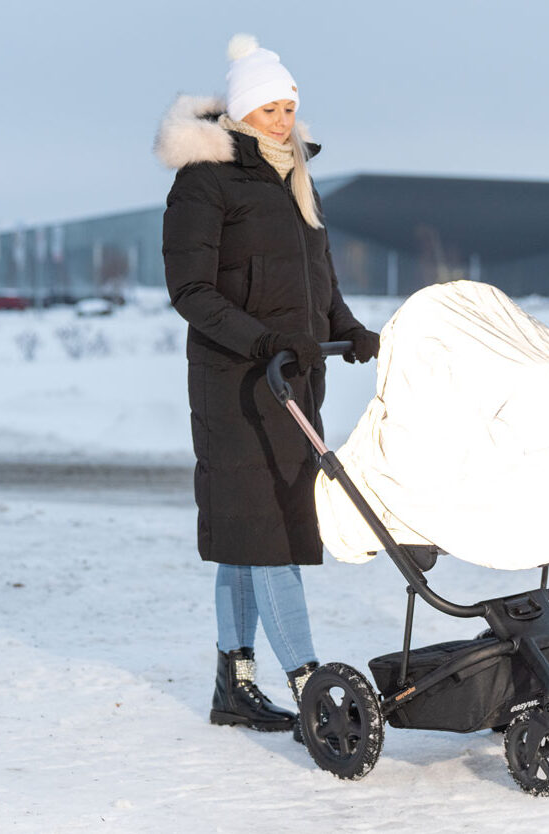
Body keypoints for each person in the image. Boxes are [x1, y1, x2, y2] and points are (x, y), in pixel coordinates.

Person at [155, 33, 379, 735]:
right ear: (243, 112)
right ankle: (312, 686)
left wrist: (347, 328)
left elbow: (319, 277)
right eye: (271, 108)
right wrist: (264, 341)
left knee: (248, 534)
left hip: (291, 382)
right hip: (235, 385)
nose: (284, 120)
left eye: (290, 107)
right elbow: (191, 289)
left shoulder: (292, 178)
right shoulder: (205, 179)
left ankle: (234, 683)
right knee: (272, 532)